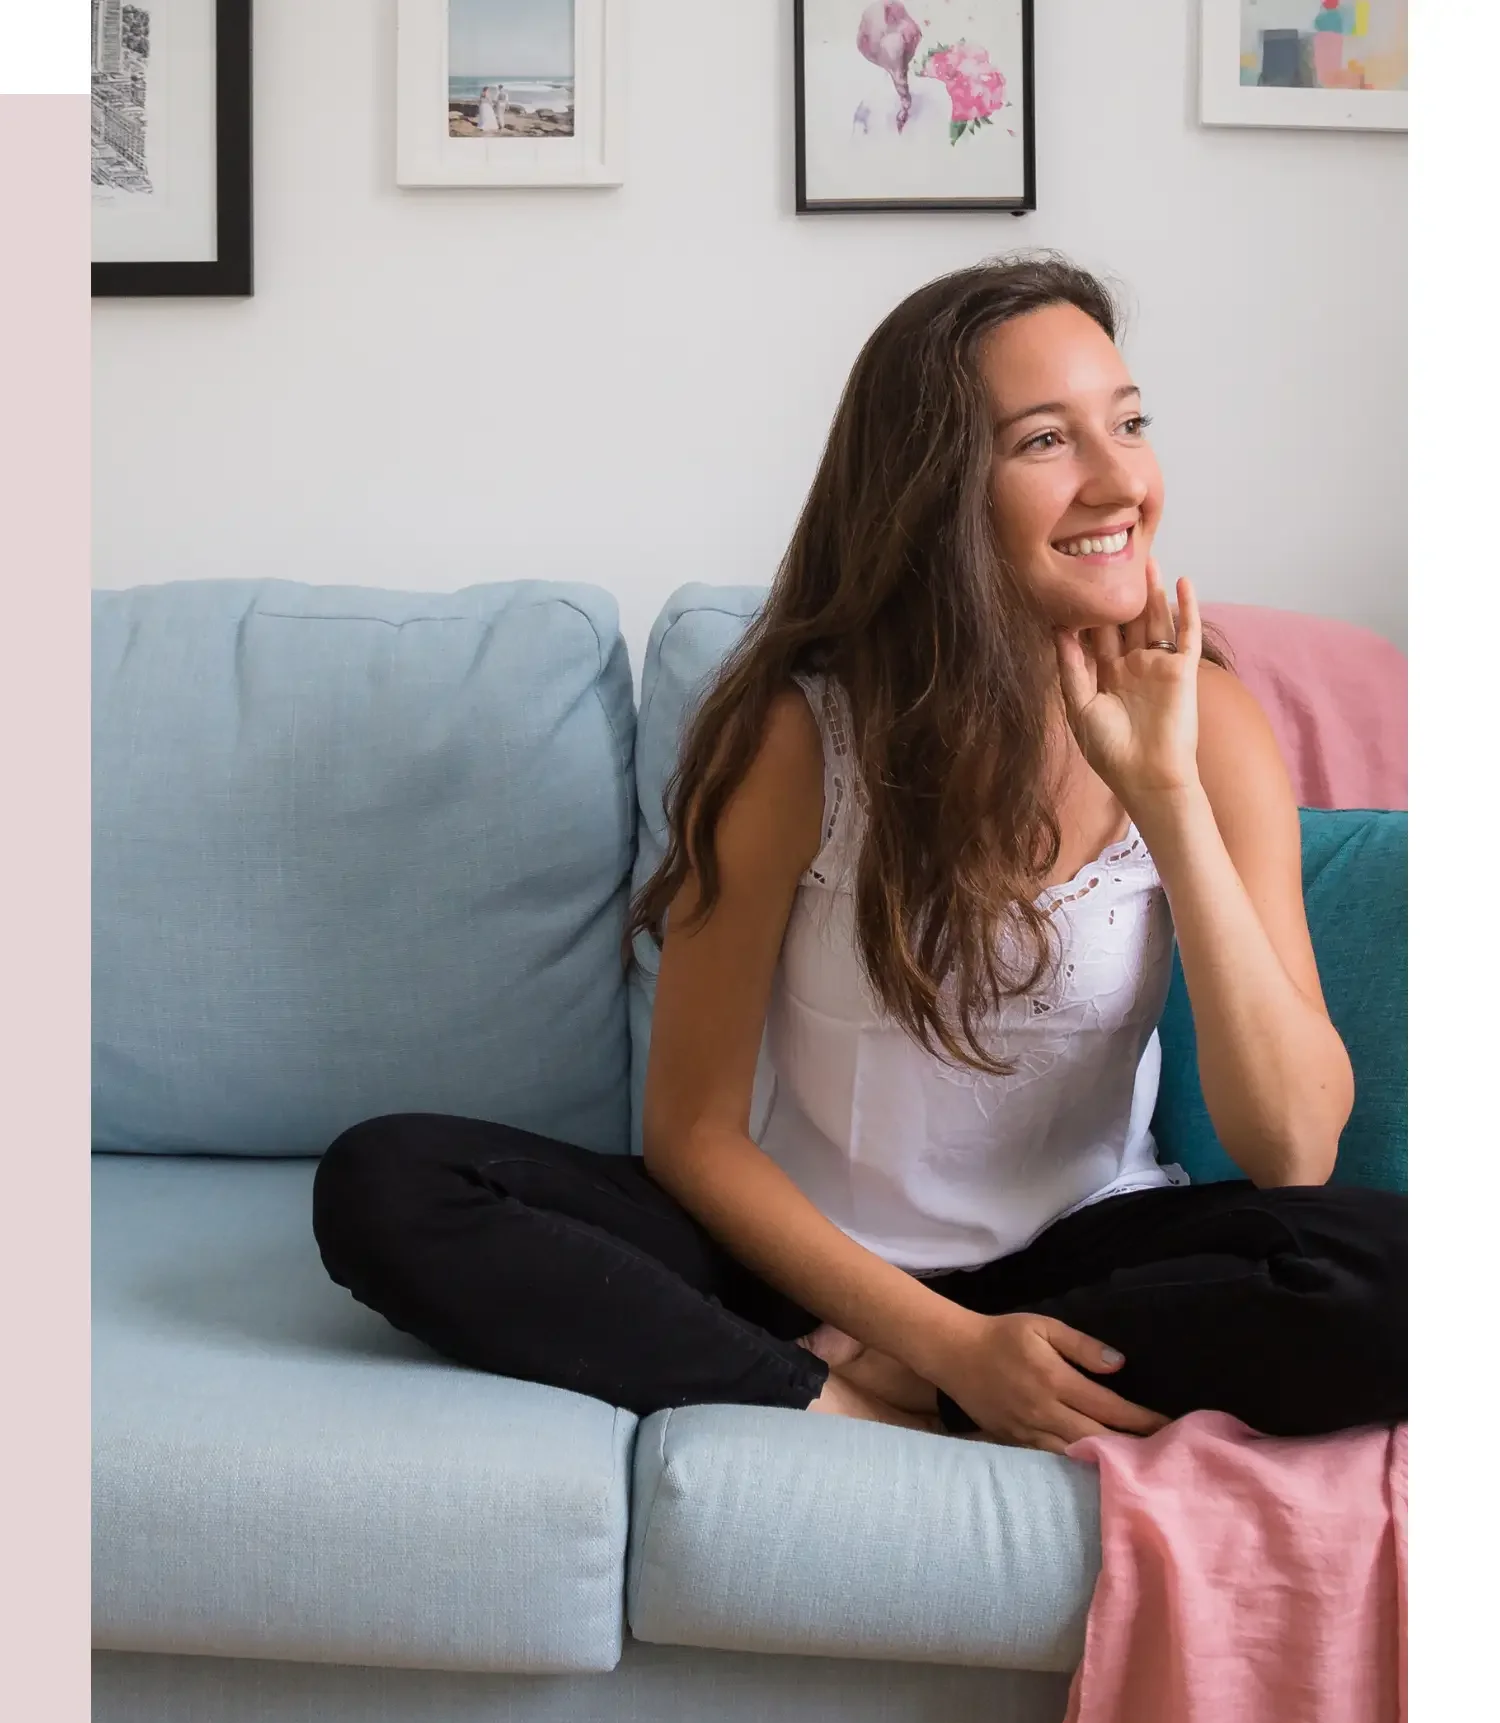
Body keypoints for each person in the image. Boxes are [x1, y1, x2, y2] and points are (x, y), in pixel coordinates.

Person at [313, 256, 1405, 1452]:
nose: (1120, 482)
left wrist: (1169, 798)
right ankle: (833, 1390)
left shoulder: (1209, 722)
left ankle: (948, 1386)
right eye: (1046, 441)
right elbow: (693, 1135)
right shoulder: (799, 738)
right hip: (805, 1268)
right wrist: (949, 1347)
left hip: (1088, 1256)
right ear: (937, 490)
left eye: (1129, 423)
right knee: (389, 1180)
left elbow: (1293, 1149)